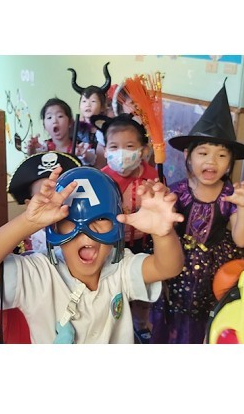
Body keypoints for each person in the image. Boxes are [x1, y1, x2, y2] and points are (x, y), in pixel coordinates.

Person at [0, 165, 184, 343]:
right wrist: (28, 222)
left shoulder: (120, 267)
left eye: (100, 218)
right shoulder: (37, 274)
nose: (86, 231)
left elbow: (167, 267)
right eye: (70, 220)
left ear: (117, 224)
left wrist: (162, 234)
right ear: (55, 227)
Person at [149, 82, 244, 344]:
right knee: (174, 317)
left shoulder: (230, 195)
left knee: (206, 322)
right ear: (188, 155)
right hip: (178, 266)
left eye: (221, 155)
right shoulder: (178, 191)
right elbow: (163, 230)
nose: (211, 161)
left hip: (214, 272)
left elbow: (242, 241)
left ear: (230, 162)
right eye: (203, 153)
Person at [91, 113, 158, 343]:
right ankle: (114, 326)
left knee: (143, 284)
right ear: (105, 150)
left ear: (143, 150)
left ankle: (141, 324)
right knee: (116, 286)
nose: (121, 153)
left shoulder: (152, 176)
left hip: (144, 242)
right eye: (114, 147)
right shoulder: (101, 178)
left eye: (129, 146)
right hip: (113, 243)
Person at [7, 151, 82, 254]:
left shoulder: (85, 236)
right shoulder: (19, 245)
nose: (55, 202)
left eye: (61, 194)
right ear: (29, 204)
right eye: (46, 197)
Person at [25, 97, 95, 166]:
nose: (54, 121)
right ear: (44, 126)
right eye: (49, 117)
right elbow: (33, 162)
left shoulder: (78, 146)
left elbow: (91, 158)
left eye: (60, 116)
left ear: (70, 122)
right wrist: (31, 151)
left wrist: (84, 153)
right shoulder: (43, 148)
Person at [67, 63, 110, 168]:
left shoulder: (107, 129)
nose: (88, 105)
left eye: (93, 101)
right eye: (84, 101)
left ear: (102, 107)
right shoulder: (74, 128)